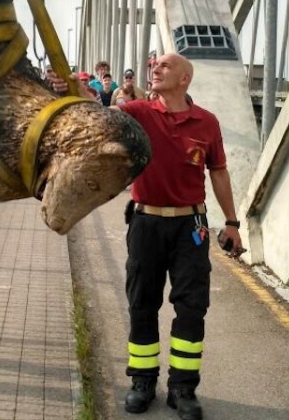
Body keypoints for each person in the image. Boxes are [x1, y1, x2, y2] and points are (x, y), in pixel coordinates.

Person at [56, 53, 243, 420]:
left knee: (191, 307)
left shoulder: (207, 122)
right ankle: (142, 381)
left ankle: (183, 388)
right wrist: (73, 86)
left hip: (191, 227)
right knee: (142, 303)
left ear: (185, 78)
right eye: (153, 66)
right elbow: (96, 113)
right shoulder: (139, 112)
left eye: (164, 66)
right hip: (145, 223)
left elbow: (218, 173)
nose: (154, 69)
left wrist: (232, 223)